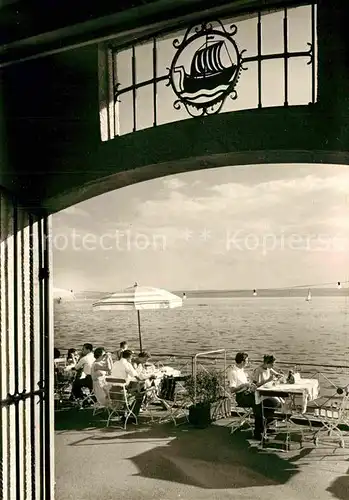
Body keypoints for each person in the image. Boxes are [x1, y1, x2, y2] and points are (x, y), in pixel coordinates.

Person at [227, 352, 264, 440]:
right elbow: (232, 390)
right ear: (243, 362)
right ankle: (258, 432)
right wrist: (243, 385)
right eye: (247, 361)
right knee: (258, 403)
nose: (248, 362)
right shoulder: (233, 372)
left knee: (262, 399)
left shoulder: (241, 370)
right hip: (241, 397)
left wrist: (250, 386)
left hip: (247, 393)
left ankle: (264, 426)